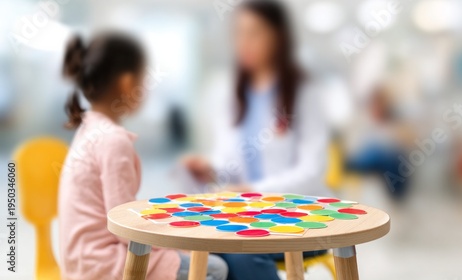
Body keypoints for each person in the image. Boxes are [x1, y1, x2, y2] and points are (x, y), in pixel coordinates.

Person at [58, 33, 228, 280]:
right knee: (215, 268)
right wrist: (174, 244)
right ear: (127, 83)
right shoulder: (113, 140)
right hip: (107, 265)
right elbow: (125, 227)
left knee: (190, 257)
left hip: (82, 263)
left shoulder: (89, 129)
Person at [183, 1, 329, 279]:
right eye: (239, 33)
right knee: (202, 245)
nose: (244, 42)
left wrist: (253, 189)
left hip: (301, 214)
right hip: (249, 214)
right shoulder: (234, 93)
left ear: (278, 37)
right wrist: (210, 167)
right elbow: (229, 162)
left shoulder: (303, 92)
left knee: (238, 250)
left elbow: (312, 170)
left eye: (255, 33)